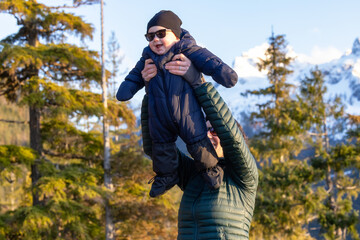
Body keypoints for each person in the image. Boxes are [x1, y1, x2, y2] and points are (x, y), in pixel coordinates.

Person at [116, 10, 238, 198]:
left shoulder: (188, 50)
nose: (155, 39)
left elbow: (210, 62)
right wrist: (131, 85)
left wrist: (224, 73)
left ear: (176, 34)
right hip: (159, 116)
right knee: (160, 146)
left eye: (161, 34)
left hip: (187, 112)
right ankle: (166, 176)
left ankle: (211, 169)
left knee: (197, 140)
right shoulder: (147, 58)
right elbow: (133, 78)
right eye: (150, 36)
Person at [141, 55, 259, 239]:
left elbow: (231, 136)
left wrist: (198, 83)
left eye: (215, 131)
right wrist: (152, 90)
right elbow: (156, 149)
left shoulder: (244, 176)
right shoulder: (194, 174)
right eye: (205, 130)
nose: (208, 135)